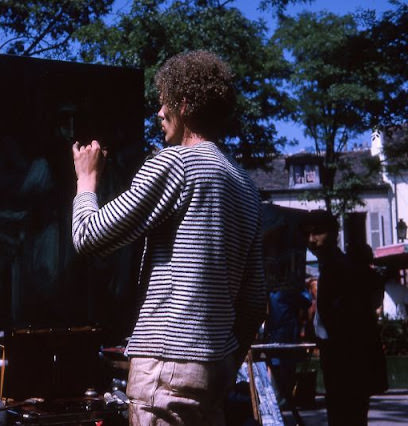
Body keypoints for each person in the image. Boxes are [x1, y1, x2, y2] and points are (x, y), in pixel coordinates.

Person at [71, 50, 266, 425]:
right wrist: (223, 364)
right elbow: (255, 303)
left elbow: (88, 235)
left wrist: (86, 180)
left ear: (185, 104)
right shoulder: (246, 187)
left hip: (165, 366)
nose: (159, 113)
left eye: (165, 103)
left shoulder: (175, 162)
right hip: (213, 370)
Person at [301, 210, 388, 426]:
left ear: (334, 233)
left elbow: (348, 321)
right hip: (341, 360)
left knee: (347, 416)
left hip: (347, 362)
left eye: (318, 233)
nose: (312, 240)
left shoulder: (340, 268)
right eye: (308, 234)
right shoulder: (331, 266)